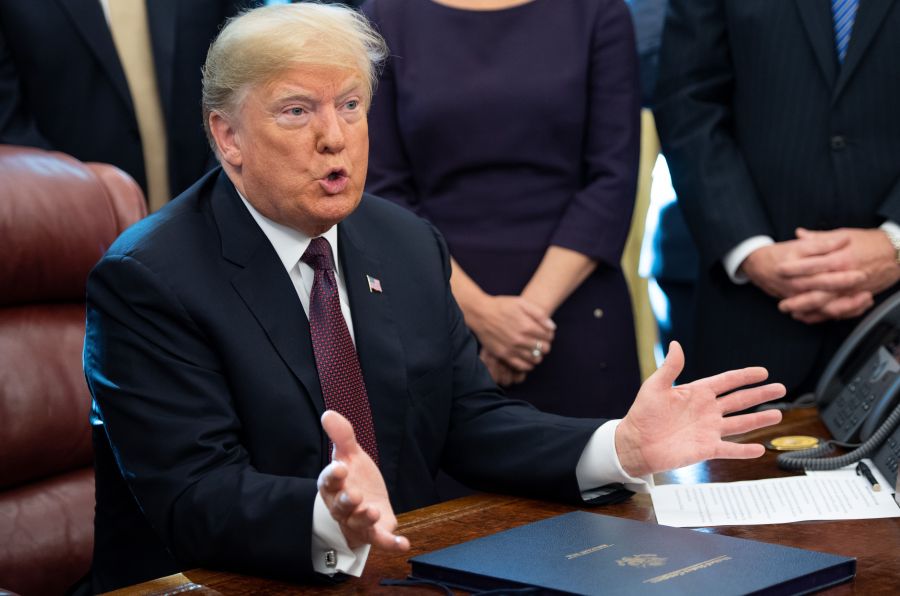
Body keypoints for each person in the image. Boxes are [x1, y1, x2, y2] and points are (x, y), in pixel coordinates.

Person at [83, 3, 784, 592]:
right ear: (227, 135)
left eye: (351, 106)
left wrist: (618, 447)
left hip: (397, 571)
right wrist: (330, 513)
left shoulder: (404, 242)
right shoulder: (150, 278)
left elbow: (470, 423)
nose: (335, 137)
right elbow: (194, 494)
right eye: (297, 112)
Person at [362, 0, 641, 419]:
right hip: (434, 302)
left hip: (573, 303)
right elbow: (382, 186)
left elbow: (612, 177)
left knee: (598, 474)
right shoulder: (385, 15)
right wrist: (479, 314)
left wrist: (525, 320)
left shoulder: (598, 11)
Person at [654, 0, 900, 397]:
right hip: (748, 316)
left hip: (893, 316)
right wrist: (749, 250)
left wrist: (895, 245)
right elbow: (688, 102)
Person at [0, 0, 253, 211]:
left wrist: (221, 192)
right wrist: (85, 202)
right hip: (73, 230)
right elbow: (9, 126)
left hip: (216, 212)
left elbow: (248, 75)